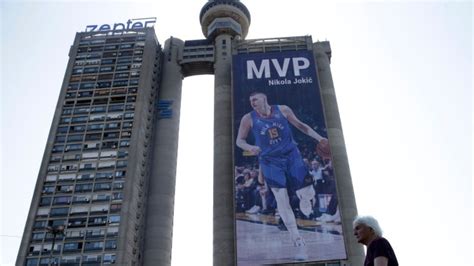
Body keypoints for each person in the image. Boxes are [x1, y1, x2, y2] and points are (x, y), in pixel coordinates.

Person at [236, 91, 327, 260]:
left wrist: (319, 138)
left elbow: (301, 125)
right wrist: (249, 147)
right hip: (270, 161)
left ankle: (305, 200)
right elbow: (239, 141)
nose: (252, 103)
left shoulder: (283, 110)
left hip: (291, 155)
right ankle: (296, 236)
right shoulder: (248, 118)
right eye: (250, 101)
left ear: (264, 98)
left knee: (308, 192)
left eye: (255, 99)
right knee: (281, 198)